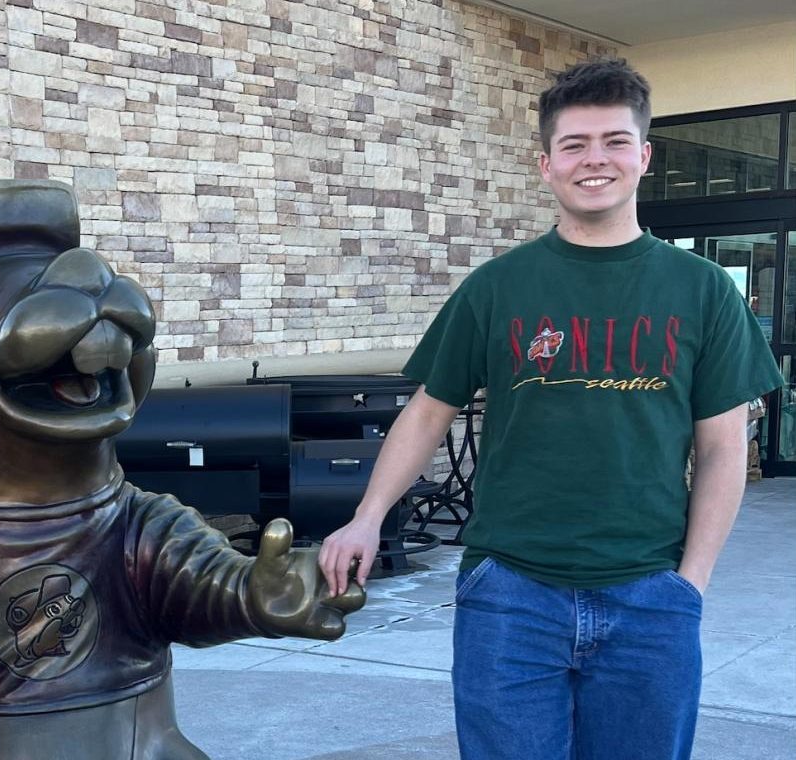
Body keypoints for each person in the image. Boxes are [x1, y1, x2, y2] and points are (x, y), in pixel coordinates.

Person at [318, 58, 782, 760]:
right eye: (574, 145)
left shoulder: (703, 289)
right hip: (511, 591)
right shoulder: (498, 287)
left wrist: (692, 583)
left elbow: (721, 447)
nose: (595, 159)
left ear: (644, 155)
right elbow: (427, 411)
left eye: (614, 141)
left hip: (649, 592)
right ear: (546, 164)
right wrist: (367, 515)